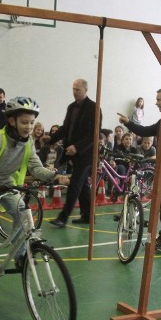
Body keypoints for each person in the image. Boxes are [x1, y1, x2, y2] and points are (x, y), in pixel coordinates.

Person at [0, 96, 69, 282]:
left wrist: (55, 176)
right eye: (25, 122)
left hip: (6, 184)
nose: (29, 127)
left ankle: (20, 255)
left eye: (32, 122)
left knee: (24, 215)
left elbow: (36, 167)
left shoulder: (28, 142)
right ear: (12, 121)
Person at [118, 88, 161, 253]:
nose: (156, 103)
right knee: (158, 201)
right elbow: (146, 131)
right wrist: (128, 122)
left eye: (159, 100)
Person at [48, 79, 101, 227]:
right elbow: (65, 128)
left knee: (75, 186)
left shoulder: (94, 108)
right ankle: (88, 216)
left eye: (77, 89)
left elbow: (93, 134)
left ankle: (63, 218)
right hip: (72, 154)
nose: (74, 92)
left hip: (86, 155)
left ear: (85, 90)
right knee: (83, 186)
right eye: (73, 89)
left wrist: (77, 147)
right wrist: (51, 139)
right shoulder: (71, 107)